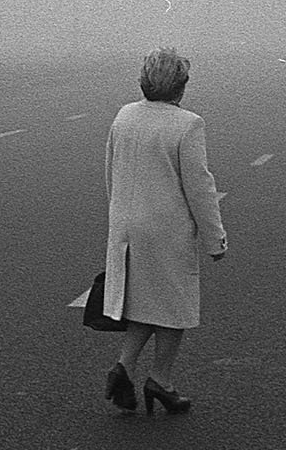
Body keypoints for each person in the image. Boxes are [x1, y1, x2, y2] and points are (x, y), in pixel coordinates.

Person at [100, 48, 227, 415]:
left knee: (144, 303)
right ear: (181, 86)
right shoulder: (188, 124)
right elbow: (199, 188)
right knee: (174, 308)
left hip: (126, 226)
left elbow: (111, 170)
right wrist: (214, 238)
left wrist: (120, 215)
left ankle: (124, 366)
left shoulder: (124, 115)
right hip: (166, 231)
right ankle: (161, 380)